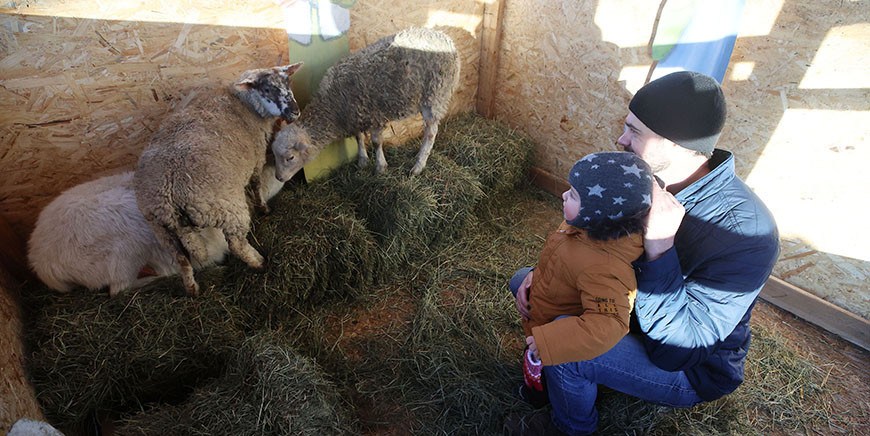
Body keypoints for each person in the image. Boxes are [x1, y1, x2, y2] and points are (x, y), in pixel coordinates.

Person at [505, 71, 780, 435]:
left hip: (688, 369)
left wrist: (661, 248)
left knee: (565, 342)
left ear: (677, 146)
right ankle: (576, 374)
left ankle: (567, 426)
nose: (621, 139)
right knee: (523, 280)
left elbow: (678, 351)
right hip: (622, 310)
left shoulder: (746, 233)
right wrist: (546, 275)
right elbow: (588, 240)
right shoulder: (641, 178)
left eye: (635, 131)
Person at [508, 150, 655, 406]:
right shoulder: (583, 226)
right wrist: (533, 275)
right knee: (518, 280)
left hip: (560, 328)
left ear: (599, 212)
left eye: (573, 194)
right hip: (549, 305)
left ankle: (566, 417)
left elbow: (608, 323)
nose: (564, 194)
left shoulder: (606, 266)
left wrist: (550, 341)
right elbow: (562, 261)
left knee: (548, 369)